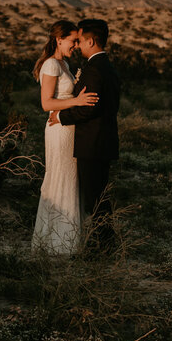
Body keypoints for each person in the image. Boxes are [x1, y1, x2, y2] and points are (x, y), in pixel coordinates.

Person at [52, 19, 120, 253]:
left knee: (95, 200)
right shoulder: (108, 67)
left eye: (80, 40)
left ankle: (104, 247)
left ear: (91, 41)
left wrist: (60, 117)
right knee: (99, 196)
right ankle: (105, 243)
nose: (78, 45)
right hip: (105, 140)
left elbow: (88, 107)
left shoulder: (94, 70)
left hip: (93, 142)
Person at [31, 20, 98, 254]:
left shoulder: (64, 63)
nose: (76, 45)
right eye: (73, 41)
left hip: (68, 129)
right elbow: (46, 103)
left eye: (78, 41)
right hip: (58, 130)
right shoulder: (51, 65)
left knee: (70, 180)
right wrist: (77, 101)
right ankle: (55, 244)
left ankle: (68, 241)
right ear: (59, 40)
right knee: (59, 177)